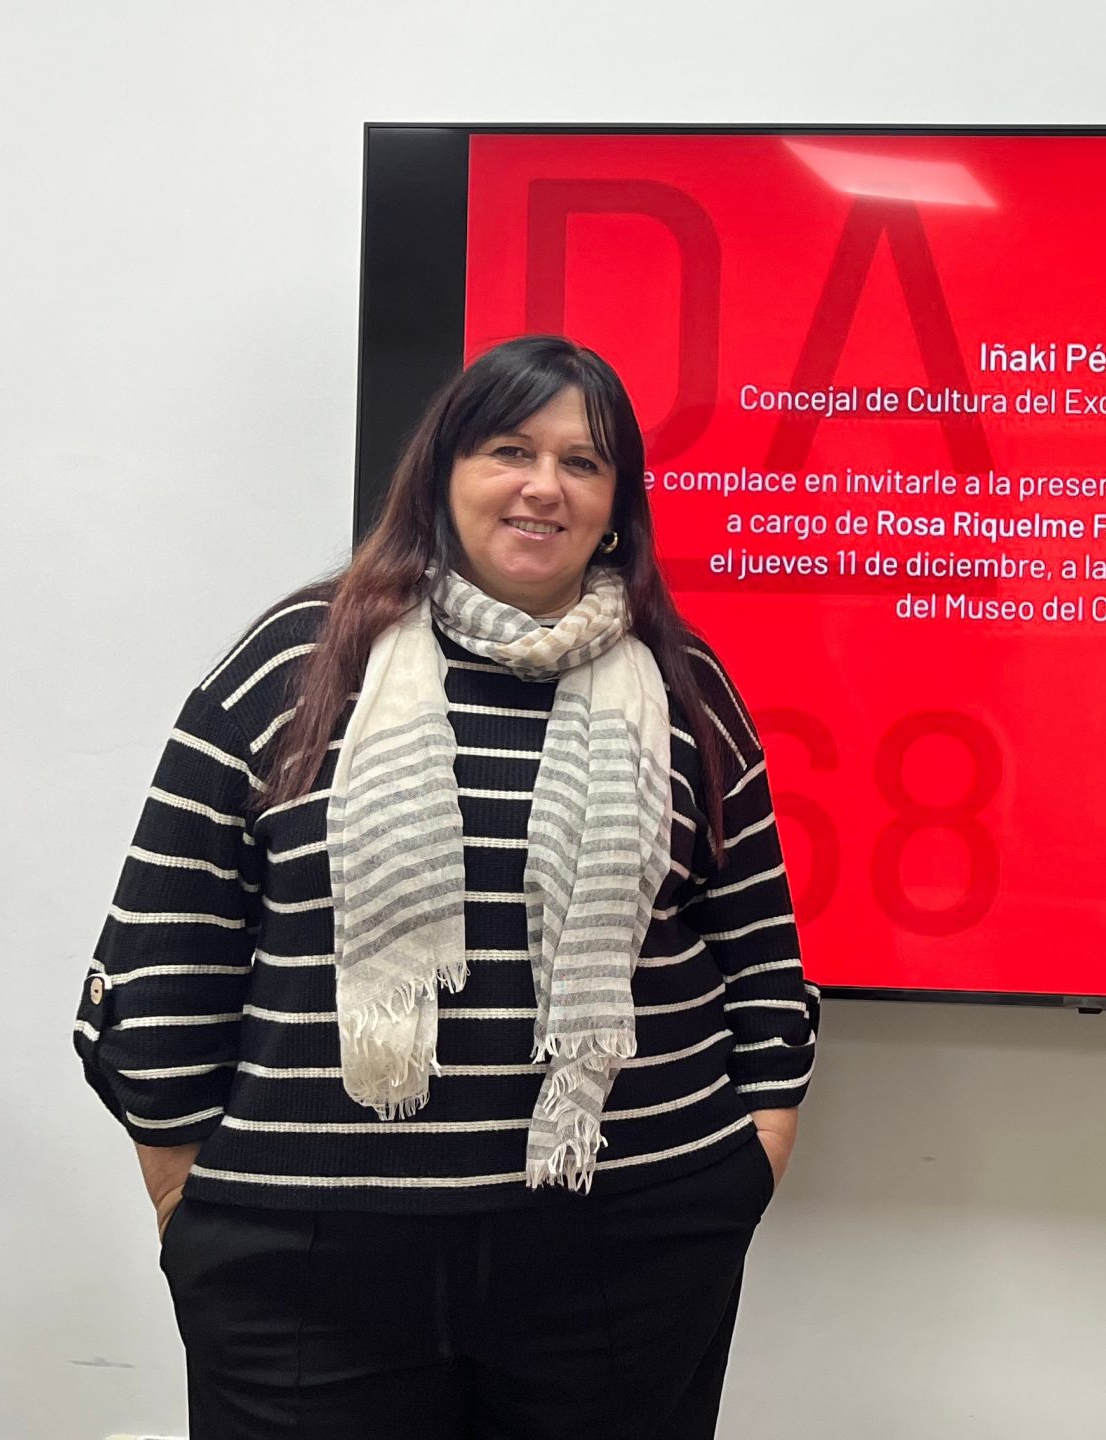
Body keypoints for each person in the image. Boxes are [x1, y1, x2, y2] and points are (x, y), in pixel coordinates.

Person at [72, 335, 817, 1438]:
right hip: (307, 1272)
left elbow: (758, 949)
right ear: (442, 472)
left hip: (627, 1252)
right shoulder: (296, 664)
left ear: (616, 506)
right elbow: (170, 936)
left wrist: (745, 1167)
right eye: (510, 450)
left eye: (583, 461)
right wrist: (188, 1190)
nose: (543, 486)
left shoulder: (684, 686)